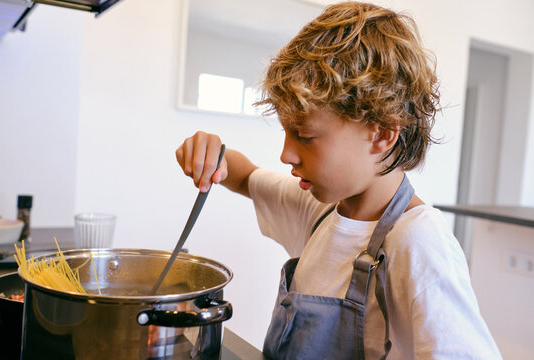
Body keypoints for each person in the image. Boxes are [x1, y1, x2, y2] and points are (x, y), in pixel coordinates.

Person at [175, 1, 501, 359]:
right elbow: (244, 176)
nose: (286, 155)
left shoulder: (419, 243)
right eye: (287, 133)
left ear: (381, 134)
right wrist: (214, 153)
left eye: (305, 136)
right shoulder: (318, 212)